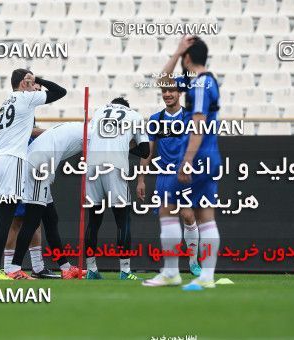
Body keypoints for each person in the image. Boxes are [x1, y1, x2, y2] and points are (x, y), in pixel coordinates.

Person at [143, 36, 222, 290]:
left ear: (188, 58)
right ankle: (203, 276)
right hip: (209, 155)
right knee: (203, 215)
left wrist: (187, 161)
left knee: (173, 209)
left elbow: (198, 122)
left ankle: (172, 272)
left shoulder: (199, 85)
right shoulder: (207, 81)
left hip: (196, 157)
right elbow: (163, 80)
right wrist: (178, 52)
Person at [0, 70, 66, 280]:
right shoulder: (27, 97)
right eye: (32, 81)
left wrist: (33, 81)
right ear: (24, 83)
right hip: (12, 160)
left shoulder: (7, 102)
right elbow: (60, 92)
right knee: (6, 217)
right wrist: (39, 79)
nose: (36, 86)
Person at [136, 76, 201, 277]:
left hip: (185, 175)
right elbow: (148, 151)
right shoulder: (156, 119)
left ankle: (193, 262)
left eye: (171, 91)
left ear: (179, 93)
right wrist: (141, 179)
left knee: (188, 215)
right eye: (164, 91)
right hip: (164, 176)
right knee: (168, 221)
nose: (167, 94)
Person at [6, 122, 87, 279]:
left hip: (41, 164)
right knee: (32, 221)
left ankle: (65, 267)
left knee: (51, 219)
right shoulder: (93, 135)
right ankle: (14, 269)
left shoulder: (81, 129)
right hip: (39, 166)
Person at [85, 97, 149, 280]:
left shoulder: (99, 111)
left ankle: (91, 270)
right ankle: (125, 271)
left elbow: (89, 138)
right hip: (115, 168)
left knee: (94, 220)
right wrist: (125, 146)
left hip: (92, 167)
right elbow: (145, 151)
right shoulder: (134, 115)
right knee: (123, 220)